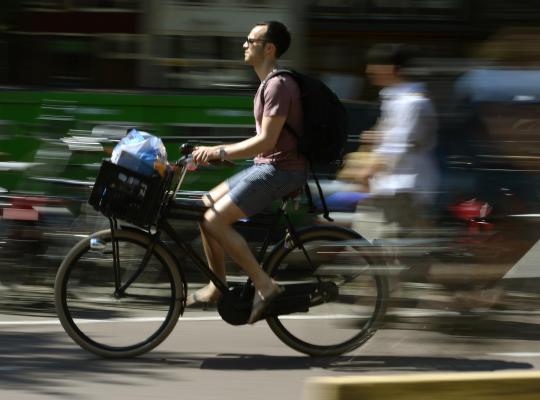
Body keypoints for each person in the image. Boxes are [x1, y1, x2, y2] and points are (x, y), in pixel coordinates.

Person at [189, 21, 307, 324]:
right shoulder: (268, 84)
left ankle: (265, 285)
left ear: (269, 48)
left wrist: (220, 152)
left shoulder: (279, 85)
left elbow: (266, 142)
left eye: (250, 41)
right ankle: (218, 285)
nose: (244, 45)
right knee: (204, 207)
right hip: (266, 165)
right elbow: (264, 144)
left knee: (216, 220)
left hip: (281, 170)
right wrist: (219, 153)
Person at [340, 43, 439, 261]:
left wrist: (367, 169)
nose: (369, 70)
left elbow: (398, 147)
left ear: (393, 69)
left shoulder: (411, 103)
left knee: (373, 247)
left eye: (376, 64)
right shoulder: (395, 100)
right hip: (390, 186)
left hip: (402, 186)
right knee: (388, 250)